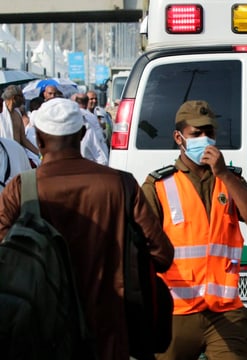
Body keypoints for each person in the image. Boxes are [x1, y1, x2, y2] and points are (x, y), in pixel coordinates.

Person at [0, 97, 175, 359]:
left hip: (43, 339)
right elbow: (162, 255)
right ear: (82, 134)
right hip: (111, 337)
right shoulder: (122, 185)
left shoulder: (20, 189)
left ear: (38, 139)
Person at [141, 100, 247, 360]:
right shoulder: (158, 184)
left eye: (209, 133)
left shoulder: (229, 180)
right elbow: (142, 244)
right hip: (176, 310)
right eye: (196, 134)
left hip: (224, 312)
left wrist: (223, 174)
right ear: (179, 138)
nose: (205, 139)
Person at [0, 85, 40, 159]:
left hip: (17, 155)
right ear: (14, 98)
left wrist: (39, 153)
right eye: (21, 96)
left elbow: (23, 139)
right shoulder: (1, 114)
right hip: (3, 157)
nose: (23, 100)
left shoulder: (18, 113)